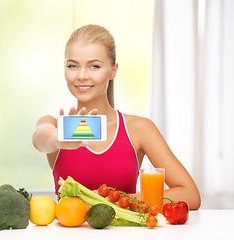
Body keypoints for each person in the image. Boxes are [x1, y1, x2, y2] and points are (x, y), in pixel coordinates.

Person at [32, 24, 201, 210]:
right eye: (73, 66)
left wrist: (115, 200)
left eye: (94, 66)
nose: (81, 75)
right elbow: (40, 139)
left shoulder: (139, 129)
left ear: (113, 70)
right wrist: (58, 139)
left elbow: (189, 194)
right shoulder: (54, 126)